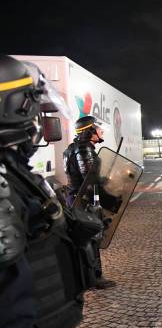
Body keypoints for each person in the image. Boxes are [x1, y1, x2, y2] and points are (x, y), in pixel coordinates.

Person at [0, 55, 102, 328]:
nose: (39, 122)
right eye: (35, 109)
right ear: (15, 110)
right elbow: (7, 327)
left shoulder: (14, 173)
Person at [63, 115, 116, 289]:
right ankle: (95, 278)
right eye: (98, 128)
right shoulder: (84, 148)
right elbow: (90, 178)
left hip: (77, 198)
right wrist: (106, 180)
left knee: (86, 239)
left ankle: (87, 277)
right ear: (89, 131)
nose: (101, 131)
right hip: (84, 200)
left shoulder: (74, 147)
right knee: (92, 239)